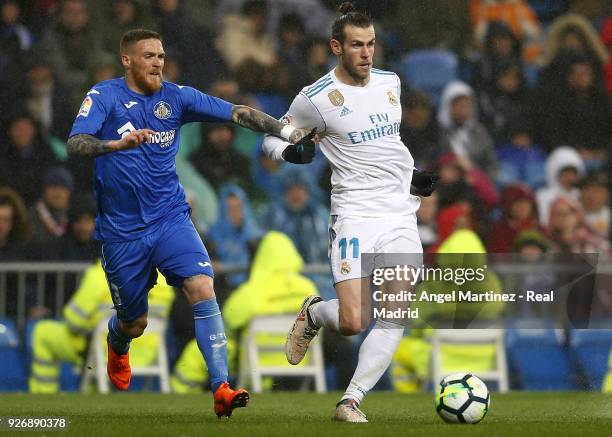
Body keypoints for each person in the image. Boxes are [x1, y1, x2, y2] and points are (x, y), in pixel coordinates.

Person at [66, 28, 313, 417]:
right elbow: (75, 143)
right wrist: (113, 145)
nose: (157, 62)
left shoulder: (177, 98)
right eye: (148, 56)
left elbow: (238, 112)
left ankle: (221, 388)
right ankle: (119, 341)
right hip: (122, 232)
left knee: (202, 285)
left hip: (170, 218)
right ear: (127, 60)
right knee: (135, 322)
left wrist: (286, 131)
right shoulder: (104, 96)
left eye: (161, 56)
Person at [262, 3, 437, 422]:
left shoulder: (391, 83)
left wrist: (411, 177)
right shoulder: (315, 98)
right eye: (357, 45)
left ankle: (350, 399)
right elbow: (269, 140)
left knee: (395, 312)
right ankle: (315, 312)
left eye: (371, 44)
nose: (366, 53)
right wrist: (294, 151)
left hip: (398, 215)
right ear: (336, 47)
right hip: (354, 214)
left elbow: (386, 146)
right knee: (353, 321)